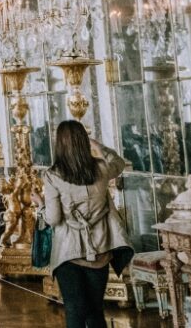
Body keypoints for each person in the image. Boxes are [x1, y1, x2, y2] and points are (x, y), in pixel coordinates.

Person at [40, 120, 133, 328]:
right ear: (84, 142)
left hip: (68, 252)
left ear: (59, 145)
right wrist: (98, 145)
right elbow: (118, 161)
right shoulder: (102, 168)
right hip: (100, 249)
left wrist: (40, 207)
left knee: (74, 309)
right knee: (95, 310)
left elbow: (54, 219)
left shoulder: (52, 175)